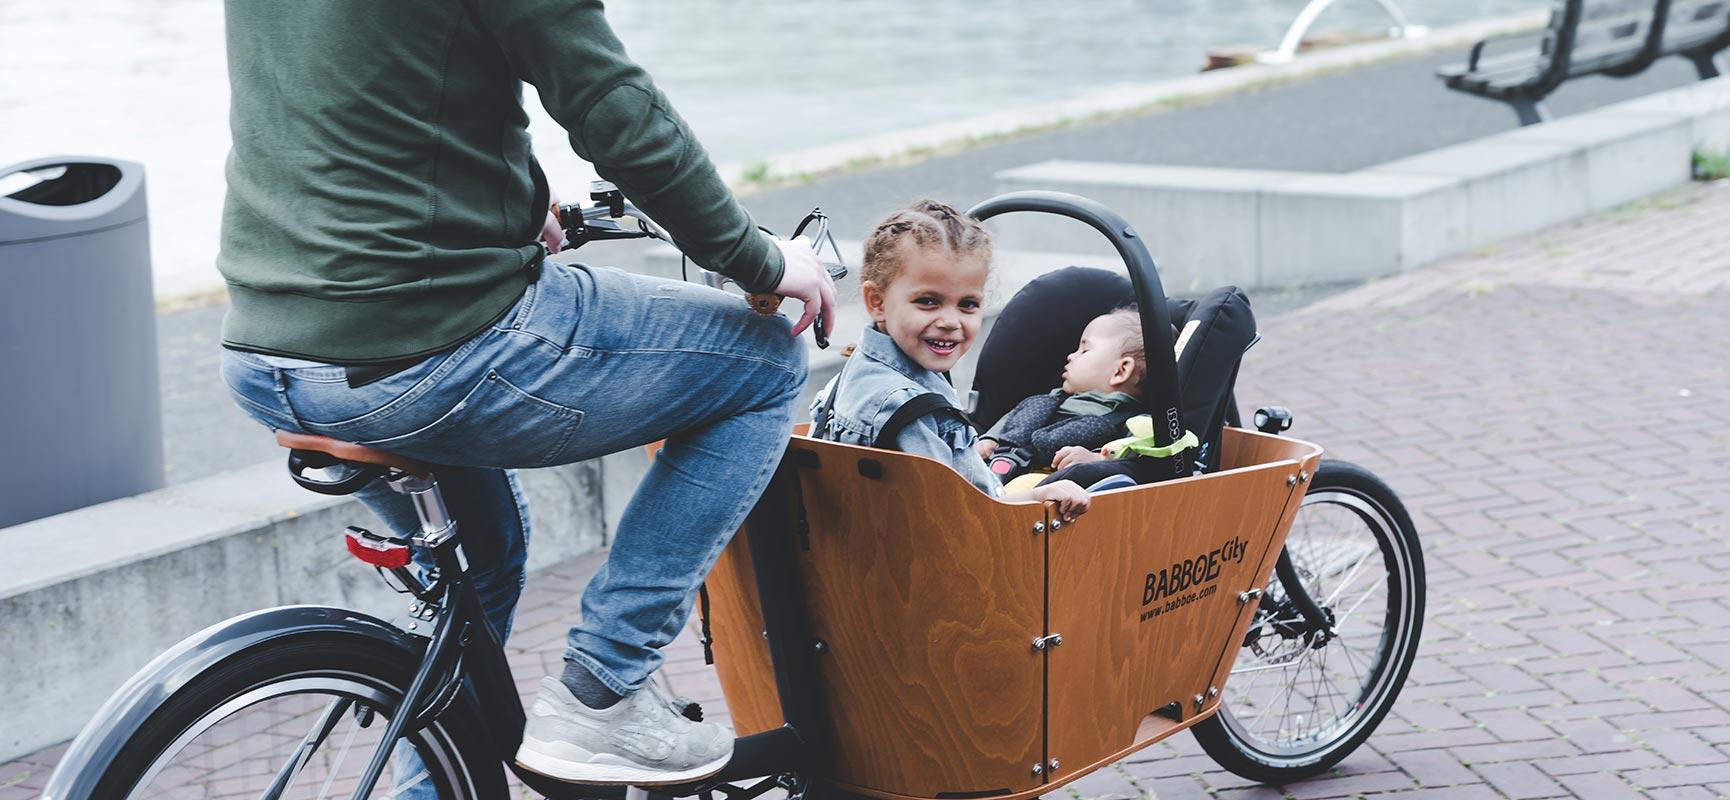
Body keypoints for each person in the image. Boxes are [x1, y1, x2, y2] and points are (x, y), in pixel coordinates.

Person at [216, 0, 837, 788]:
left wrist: (497, 201)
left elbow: (349, 88)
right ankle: (606, 687)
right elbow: (612, 106)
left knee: (484, 558)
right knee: (760, 362)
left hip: (266, 343)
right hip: (422, 342)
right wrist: (755, 257)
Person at [809, 200, 1090, 522]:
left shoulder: (857, 373)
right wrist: (1035, 498)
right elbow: (958, 520)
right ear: (877, 302)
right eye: (928, 301)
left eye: (967, 305)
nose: (950, 321)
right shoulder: (910, 409)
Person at [974, 307, 1147, 487]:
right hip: (1000, 465)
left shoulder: (1132, 421)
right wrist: (991, 439)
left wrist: (1097, 459)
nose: (1071, 356)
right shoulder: (1053, 400)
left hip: (1049, 483)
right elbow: (1012, 419)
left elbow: (1139, 453)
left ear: (1120, 371)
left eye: (1084, 350)